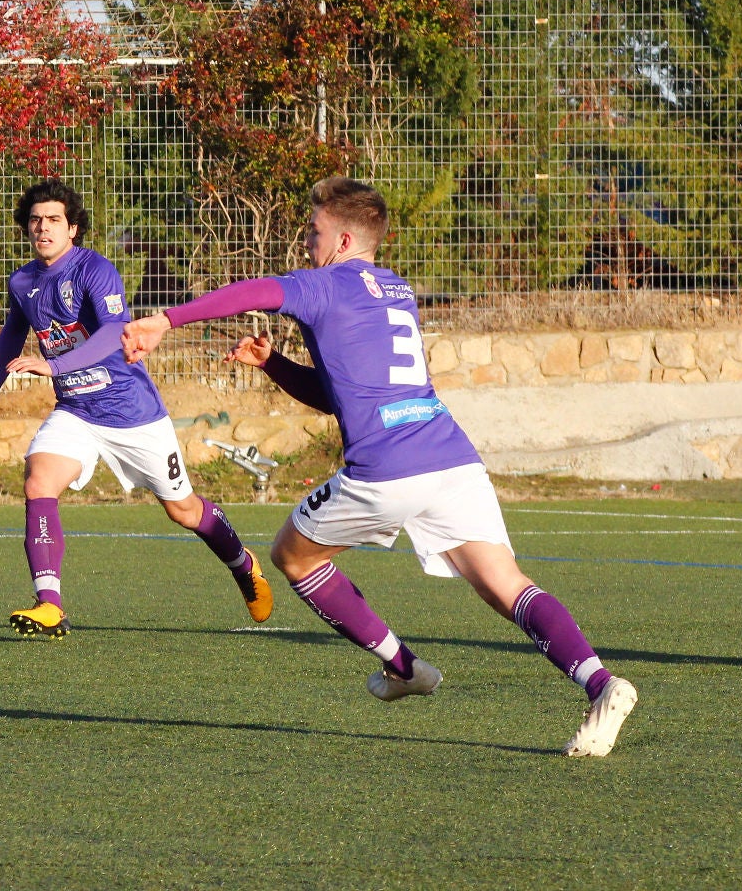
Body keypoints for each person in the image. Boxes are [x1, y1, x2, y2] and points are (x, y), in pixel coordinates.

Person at [122, 176, 638, 757]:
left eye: (314, 233)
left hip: (386, 467)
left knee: (291, 554)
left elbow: (254, 292)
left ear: (343, 240)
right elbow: (339, 395)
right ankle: (600, 683)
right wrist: (274, 364)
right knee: (505, 584)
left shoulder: (324, 285)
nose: (307, 245)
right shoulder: (396, 290)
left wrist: (165, 319)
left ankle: (404, 667)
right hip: (449, 456)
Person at [0, 178, 272, 639]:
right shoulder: (23, 281)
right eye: (35, 220)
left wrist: (56, 366)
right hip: (76, 412)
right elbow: (12, 337)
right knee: (38, 482)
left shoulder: (95, 269)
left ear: (72, 228)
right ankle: (49, 603)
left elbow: (114, 330)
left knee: (184, 510)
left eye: (54, 219)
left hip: (133, 413)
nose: (43, 228)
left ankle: (242, 563)